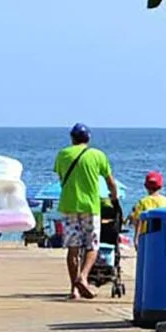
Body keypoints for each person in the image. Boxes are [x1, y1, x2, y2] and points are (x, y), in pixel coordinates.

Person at [53, 124, 121, 299]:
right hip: (90, 206)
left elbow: (61, 178)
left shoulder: (63, 154)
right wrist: (114, 198)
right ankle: (83, 277)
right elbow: (110, 182)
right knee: (92, 245)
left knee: (73, 248)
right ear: (88, 138)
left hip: (68, 205)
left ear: (72, 138)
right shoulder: (97, 155)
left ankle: (73, 289)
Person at [129, 171, 166, 237]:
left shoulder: (142, 202)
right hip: (163, 237)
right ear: (161, 186)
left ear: (146, 186)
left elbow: (137, 221)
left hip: (146, 238)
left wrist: (136, 238)